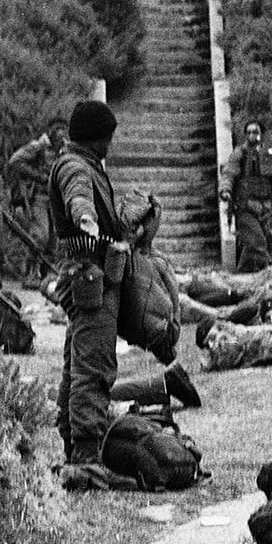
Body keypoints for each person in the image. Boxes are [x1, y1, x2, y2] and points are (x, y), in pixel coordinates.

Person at [47, 100, 159, 468]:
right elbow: (78, 197)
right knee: (93, 367)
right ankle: (86, 453)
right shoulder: (76, 168)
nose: (110, 145)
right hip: (91, 282)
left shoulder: (84, 164)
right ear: (96, 139)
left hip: (91, 280)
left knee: (77, 365)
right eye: (107, 138)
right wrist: (86, 220)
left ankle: (75, 442)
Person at [1, 117, 67, 278]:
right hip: (39, 197)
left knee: (53, 241)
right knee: (40, 236)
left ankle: (45, 275)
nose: (62, 137)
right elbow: (15, 161)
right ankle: (31, 272)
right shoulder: (40, 147)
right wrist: (39, 176)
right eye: (58, 133)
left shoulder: (66, 149)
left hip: (57, 199)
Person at [219, 118, 272, 273]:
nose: (251, 135)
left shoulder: (269, 153)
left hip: (266, 207)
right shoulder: (239, 153)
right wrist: (226, 190)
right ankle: (268, 273)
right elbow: (229, 172)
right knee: (257, 242)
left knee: (253, 246)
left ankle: (241, 276)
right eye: (248, 132)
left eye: (255, 132)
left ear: (261, 134)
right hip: (245, 207)